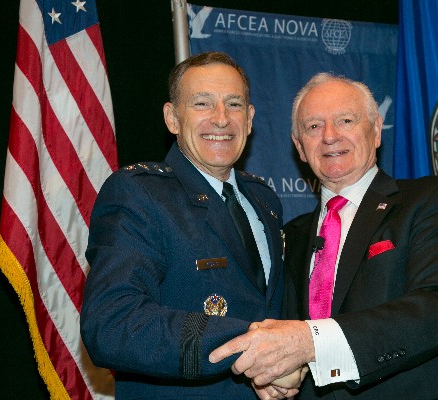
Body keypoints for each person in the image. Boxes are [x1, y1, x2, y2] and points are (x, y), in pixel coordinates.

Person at [209, 73, 438, 399]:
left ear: (375, 131)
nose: (330, 136)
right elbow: (285, 334)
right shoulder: (290, 236)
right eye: (313, 127)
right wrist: (279, 374)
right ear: (299, 147)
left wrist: (310, 343)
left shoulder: (434, 200)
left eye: (345, 120)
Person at [80, 51, 294, 399]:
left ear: (251, 118)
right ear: (172, 118)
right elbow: (111, 325)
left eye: (234, 104)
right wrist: (255, 349)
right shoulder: (140, 194)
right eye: (202, 104)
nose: (221, 119)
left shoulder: (264, 201)